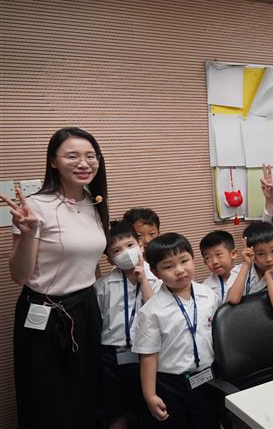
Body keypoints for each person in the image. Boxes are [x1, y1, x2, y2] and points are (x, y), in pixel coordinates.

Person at [1, 127, 109, 429]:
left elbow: (90, 263)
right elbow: (19, 275)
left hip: (86, 308)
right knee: (47, 398)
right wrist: (29, 233)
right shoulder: (35, 206)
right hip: (44, 312)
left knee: (86, 391)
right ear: (53, 161)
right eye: (72, 156)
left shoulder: (93, 201)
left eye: (90, 156)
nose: (83, 163)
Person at [132, 233, 219, 428]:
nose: (179, 270)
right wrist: (150, 395)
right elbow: (148, 356)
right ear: (155, 272)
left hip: (208, 376)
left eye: (184, 261)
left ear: (193, 259)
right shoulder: (151, 311)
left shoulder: (209, 295)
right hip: (171, 384)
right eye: (168, 266)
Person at [96, 220, 161, 429]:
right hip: (111, 354)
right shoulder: (103, 286)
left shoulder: (156, 279)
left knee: (149, 406)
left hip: (146, 353)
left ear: (140, 246)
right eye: (117, 250)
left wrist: (143, 281)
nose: (125, 252)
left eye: (130, 245)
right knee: (115, 409)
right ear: (110, 259)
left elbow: (155, 313)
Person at [226, 222, 273, 315]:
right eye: (261, 254)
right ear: (251, 252)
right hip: (241, 318)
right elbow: (233, 299)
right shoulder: (239, 270)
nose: (269, 259)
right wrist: (246, 264)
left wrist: (268, 276)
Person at [199, 230, 237, 306]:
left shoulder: (246, 274)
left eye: (218, 254)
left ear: (233, 254)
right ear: (205, 262)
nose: (214, 262)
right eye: (208, 257)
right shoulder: (205, 287)